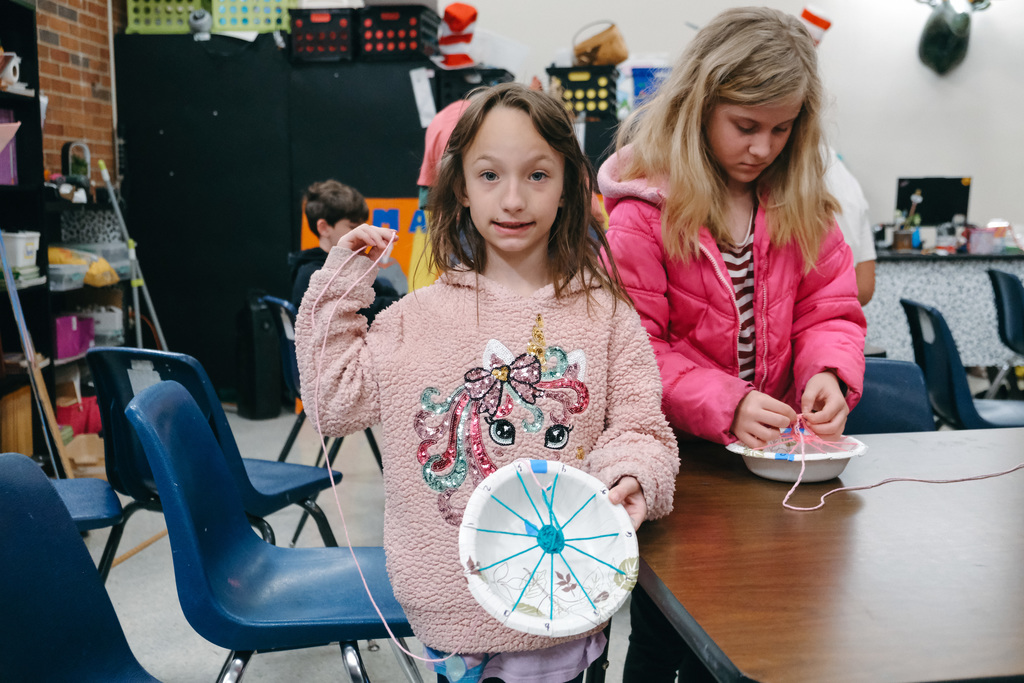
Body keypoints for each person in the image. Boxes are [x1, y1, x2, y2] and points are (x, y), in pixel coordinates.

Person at [295, 82, 680, 683]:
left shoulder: (606, 315)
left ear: (568, 186)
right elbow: (333, 402)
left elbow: (641, 429)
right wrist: (342, 283)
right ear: (461, 188)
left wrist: (631, 474)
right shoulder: (415, 319)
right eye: (490, 175)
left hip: (564, 610)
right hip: (450, 618)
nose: (513, 199)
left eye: (537, 175)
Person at [597, 8, 866, 681]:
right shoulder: (640, 217)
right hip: (675, 470)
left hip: (771, 472)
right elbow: (633, 351)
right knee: (663, 639)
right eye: (745, 126)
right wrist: (729, 401)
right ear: (698, 106)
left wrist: (829, 372)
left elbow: (831, 311)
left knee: (755, 633)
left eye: (782, 128)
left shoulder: (804, 204)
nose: (763, 147)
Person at [288, 179, 401, 322]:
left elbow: (383, 292)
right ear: (324, 227)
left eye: (363, 226)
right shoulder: (310, 275)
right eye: (353, 227)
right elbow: (358, 312)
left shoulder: (352, 264)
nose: (363, 232)